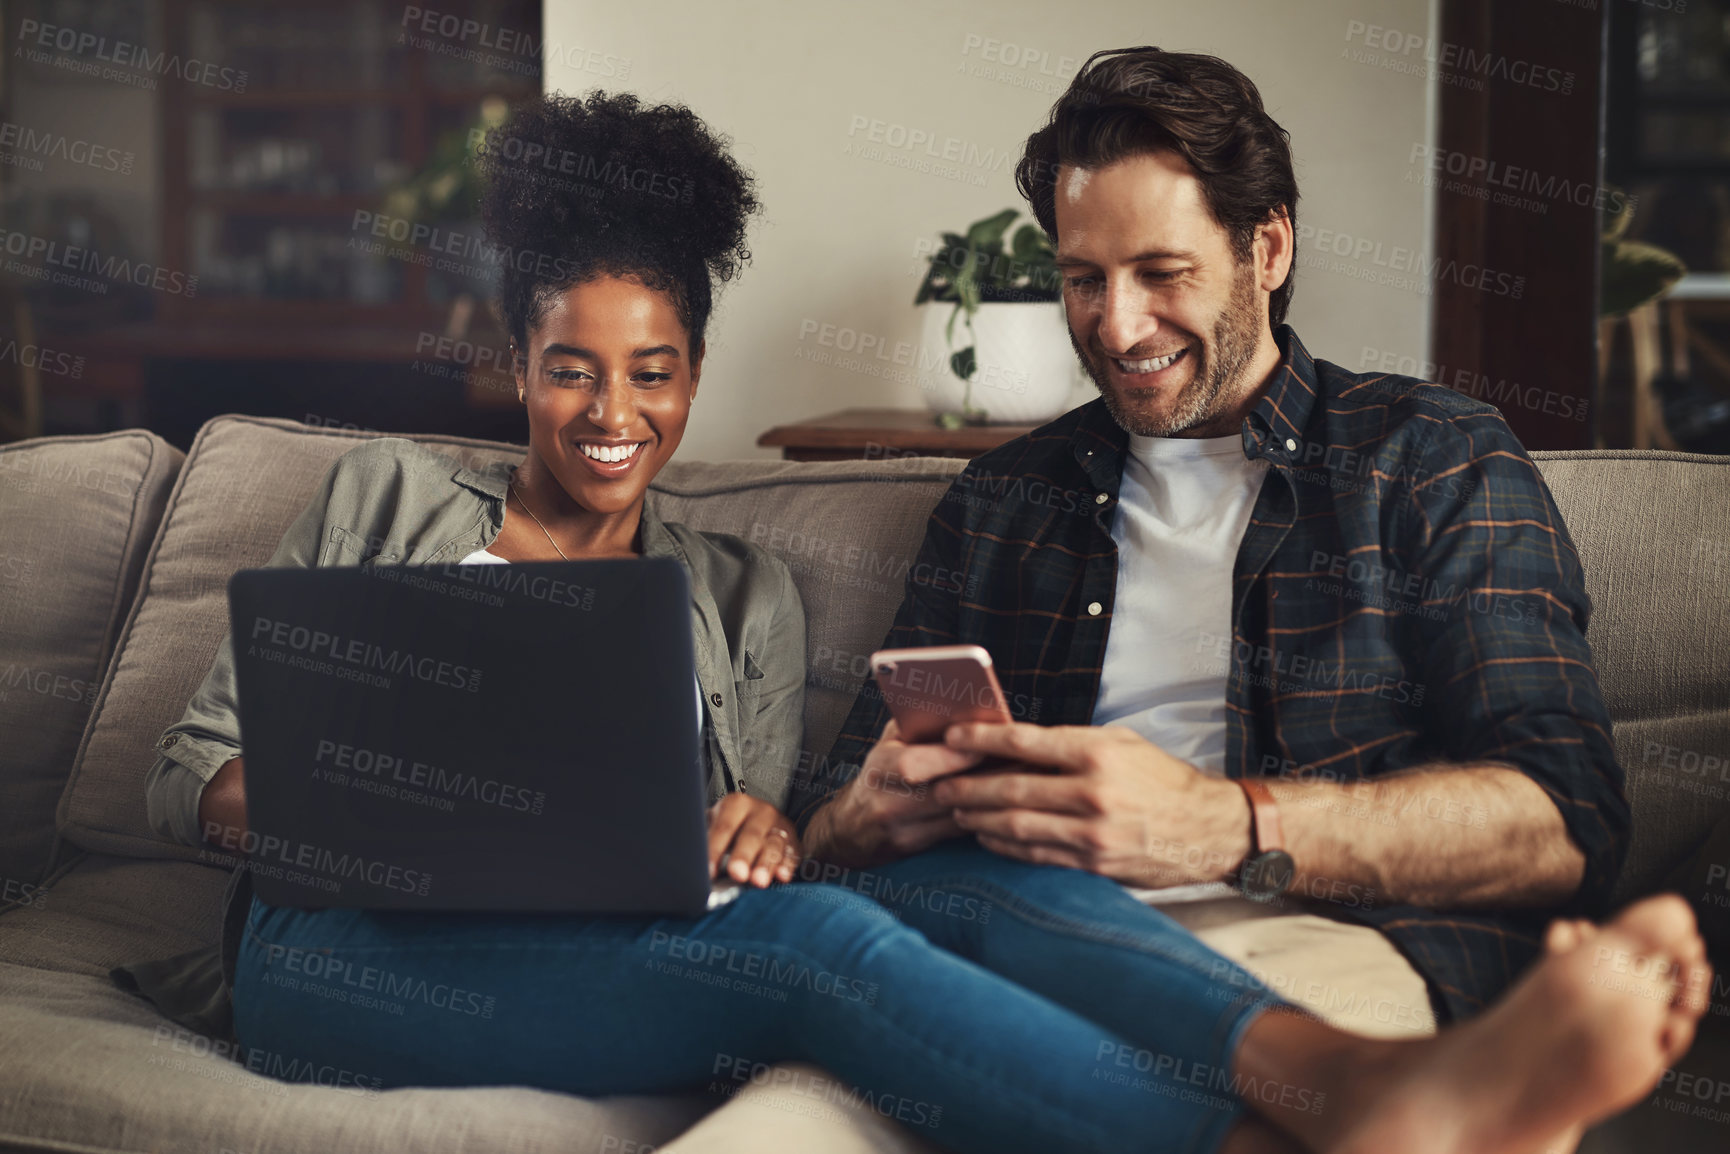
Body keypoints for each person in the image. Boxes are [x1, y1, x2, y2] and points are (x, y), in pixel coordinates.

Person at [121, 89, 1708, 1154]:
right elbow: (183, 783)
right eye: (569, 367)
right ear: (514, 364)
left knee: (925, 884)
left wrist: (768, 820)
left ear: (691, 374)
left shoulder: (729, 592)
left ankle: (1362, 1079)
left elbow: (758, 853)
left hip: (595, 946)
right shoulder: (385, 501)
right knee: (817, 945)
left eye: (654, 369)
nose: (611, 410)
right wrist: (404, 796)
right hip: (342, 951)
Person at [788, 46, 1716, 1153]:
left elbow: (1566, 823)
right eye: (1083, 278)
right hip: (999, 940)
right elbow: (823, 828)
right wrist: (860, 817)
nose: (1118, 326)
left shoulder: (1427, 457)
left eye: (1160, 271)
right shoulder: (1000, 502)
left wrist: (1219, 827)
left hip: (1325, 943)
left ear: (1264, 247)